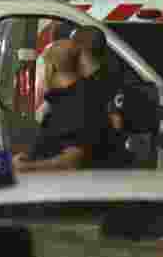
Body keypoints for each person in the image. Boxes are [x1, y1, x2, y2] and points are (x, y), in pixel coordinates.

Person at [13, 40, 101, 172]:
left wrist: (27, 167)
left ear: (52, 68)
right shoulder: (74, 99)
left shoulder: (73, 105)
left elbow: (71, 161)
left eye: (43, 67)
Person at [71, 26, 133, 168]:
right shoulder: (114, 80)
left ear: (80, 49)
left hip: (96, 166)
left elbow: (116, 124)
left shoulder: (89, 86)